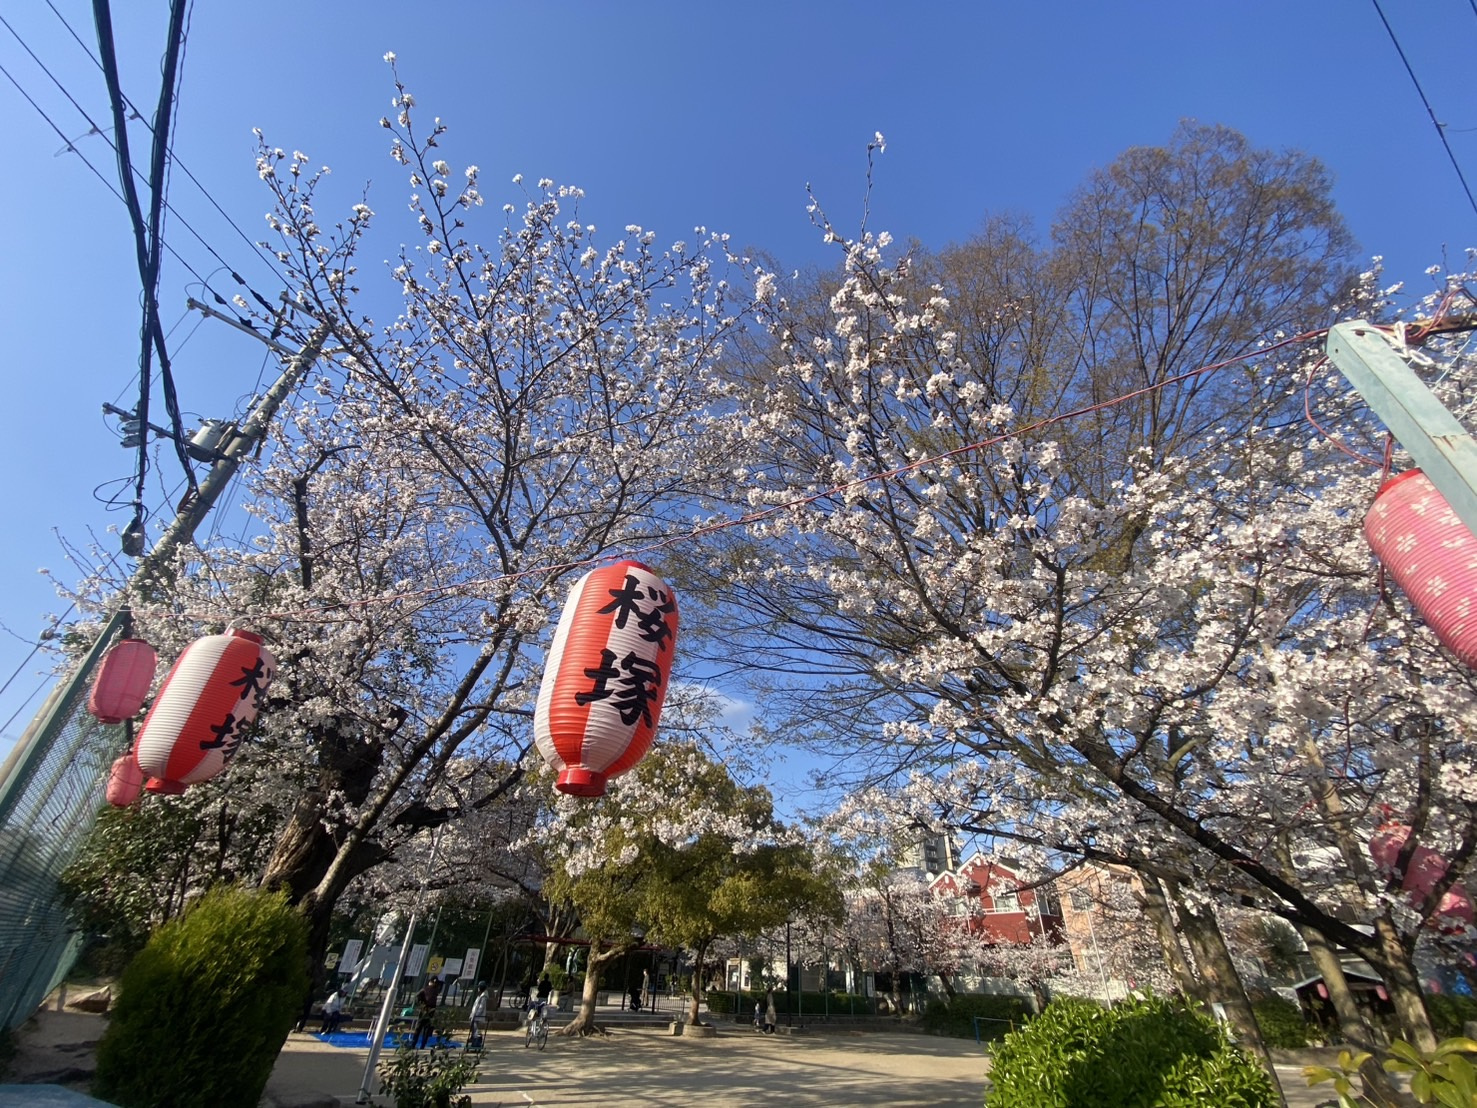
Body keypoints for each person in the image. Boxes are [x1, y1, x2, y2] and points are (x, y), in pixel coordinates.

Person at [413, 975, 442, 1049]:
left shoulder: (434, 990)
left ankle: (422, 1045)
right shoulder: (425, 989)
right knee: (419, 1028)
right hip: (425, 1010)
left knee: (426, 1029)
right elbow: (417, 997)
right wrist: (422, 1004)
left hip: (430, 1011)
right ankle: (414, 1044)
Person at [467, 983, 487, 1050]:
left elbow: (481, 1007)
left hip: (478, 1017)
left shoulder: (483, 997)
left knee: (476, 1030)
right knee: (473, 1028)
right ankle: (473, 1039)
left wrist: (476, 1015)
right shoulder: (479, 996)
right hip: (474, 1015)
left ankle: (476, 1042)